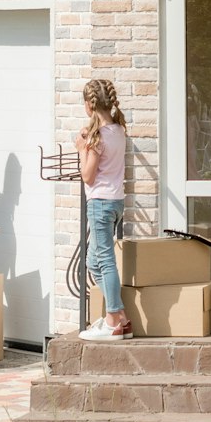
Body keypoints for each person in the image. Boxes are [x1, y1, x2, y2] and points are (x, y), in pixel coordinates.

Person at [79, 76, 131, 340]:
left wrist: (82, 149)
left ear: (90, 104)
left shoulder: (97, 138)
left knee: (105, 261)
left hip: (100, 202)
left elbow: (88, 176)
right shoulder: (119, 129)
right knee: (92, 261)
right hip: (116, 201)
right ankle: (121, 316)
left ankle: (112, 321)